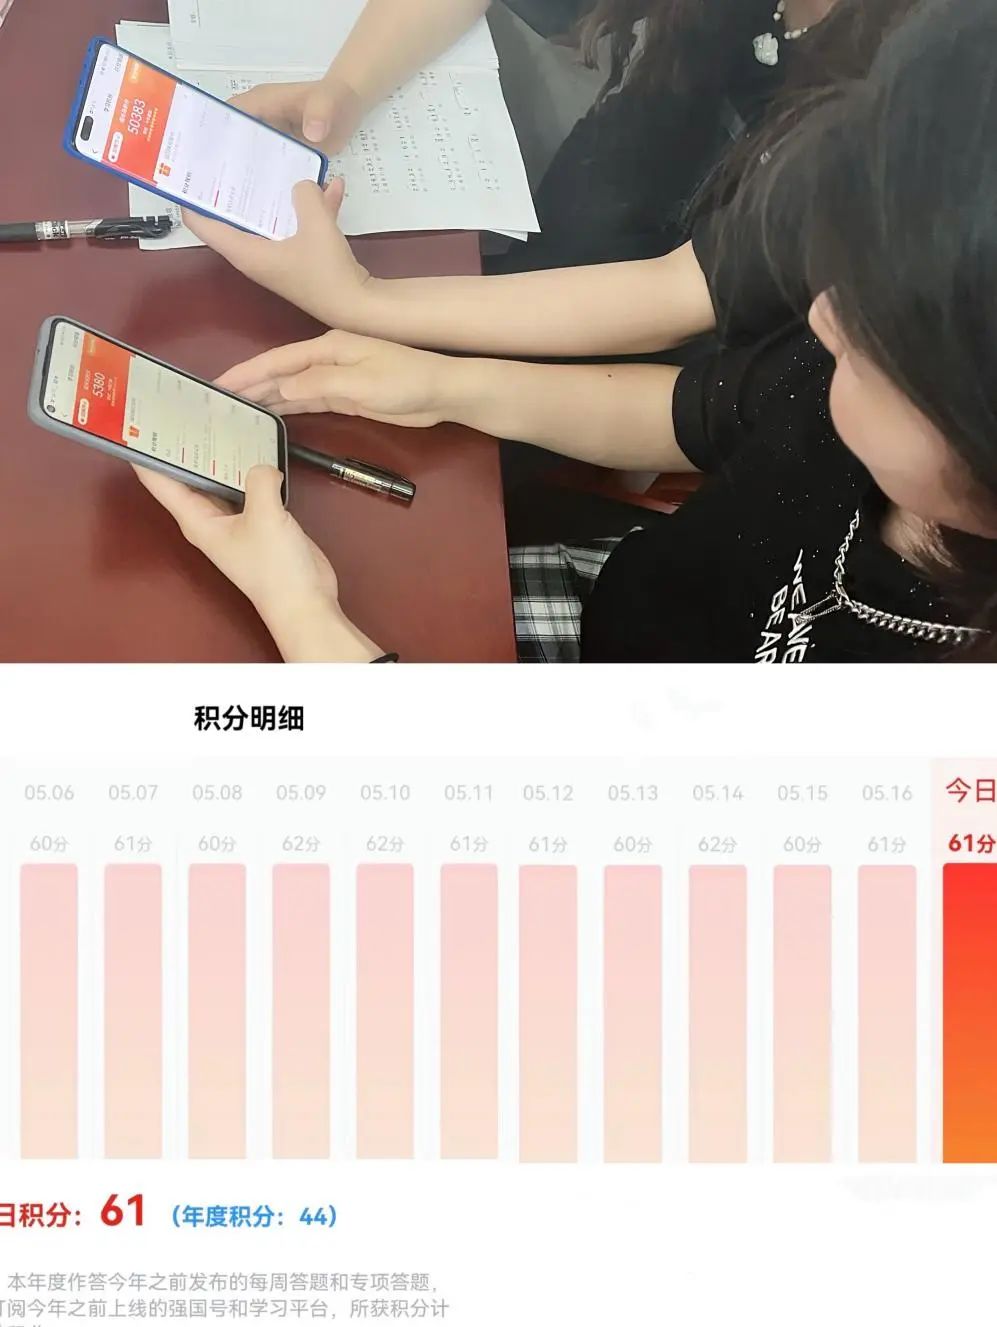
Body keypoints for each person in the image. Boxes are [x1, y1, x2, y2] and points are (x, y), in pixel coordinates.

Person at [137, 0, 997, 666]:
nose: (818, 315)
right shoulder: (840, 380)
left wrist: (305, 614)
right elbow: (694, 412)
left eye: (875, 330)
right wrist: (444, 384)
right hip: (611, 606)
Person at [224, 0, 907, 271]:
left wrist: (370, 306)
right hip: (542, 254)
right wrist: (345, 89)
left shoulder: (904, 83)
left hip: (614, 360)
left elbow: (681, 300)